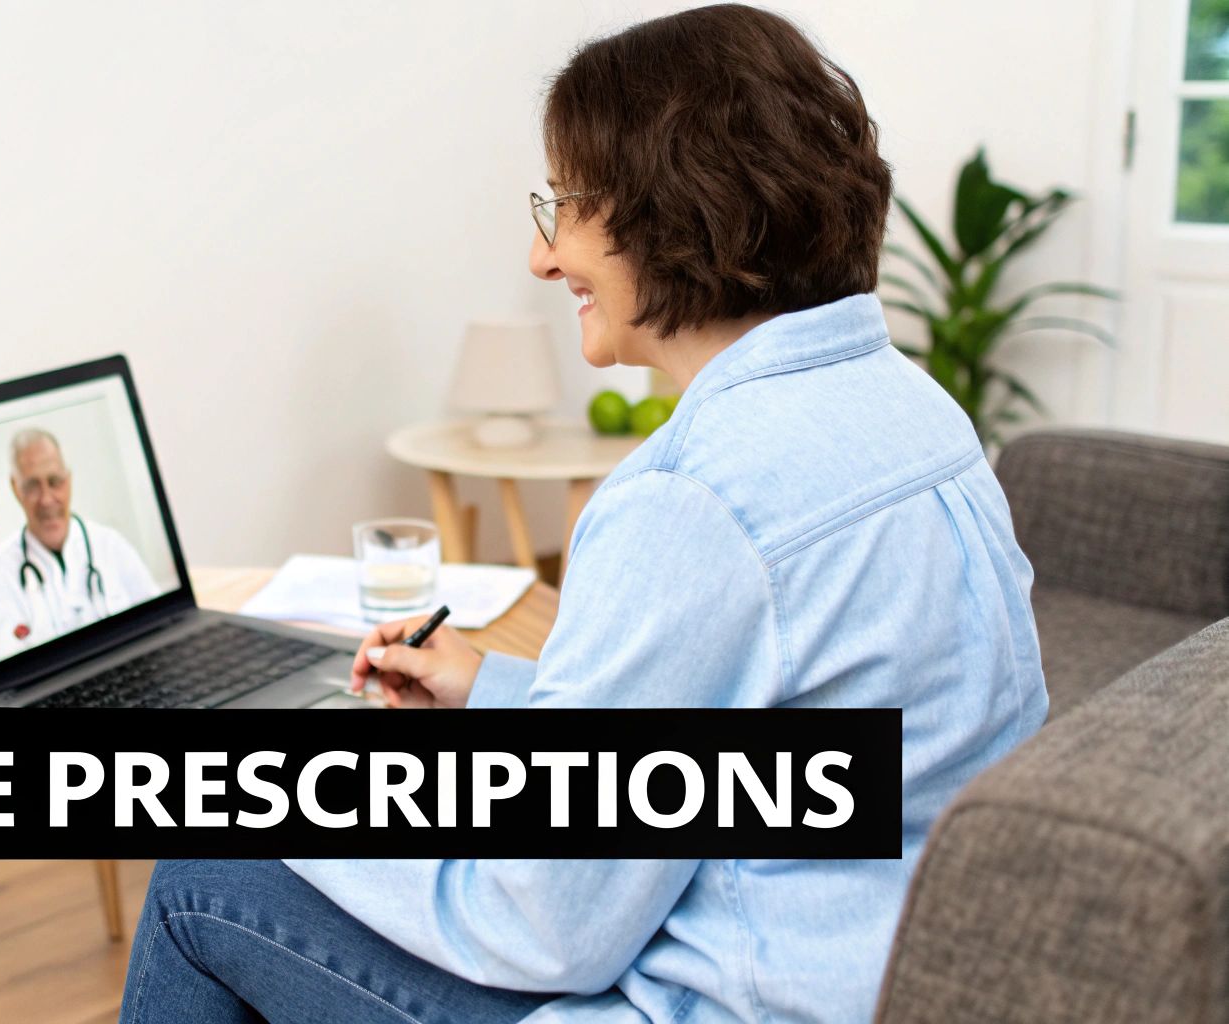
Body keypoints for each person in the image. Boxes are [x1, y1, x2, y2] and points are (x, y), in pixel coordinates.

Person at [118, 5, 1047, 1023]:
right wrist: (497, 696)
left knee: (204, 869)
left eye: (563, 206)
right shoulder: (911, 409)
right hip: (888, 975)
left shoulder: (690, 497)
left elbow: (541, 926)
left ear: (671, 210)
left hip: (731, 1006)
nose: (541, 255)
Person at [0, 428, 162, 660]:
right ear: (16, 489)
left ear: (69, 480)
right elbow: (12, 663)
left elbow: (161, 623)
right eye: (32, 486)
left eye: (55, 482)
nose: (46, 499)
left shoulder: (111, 546)